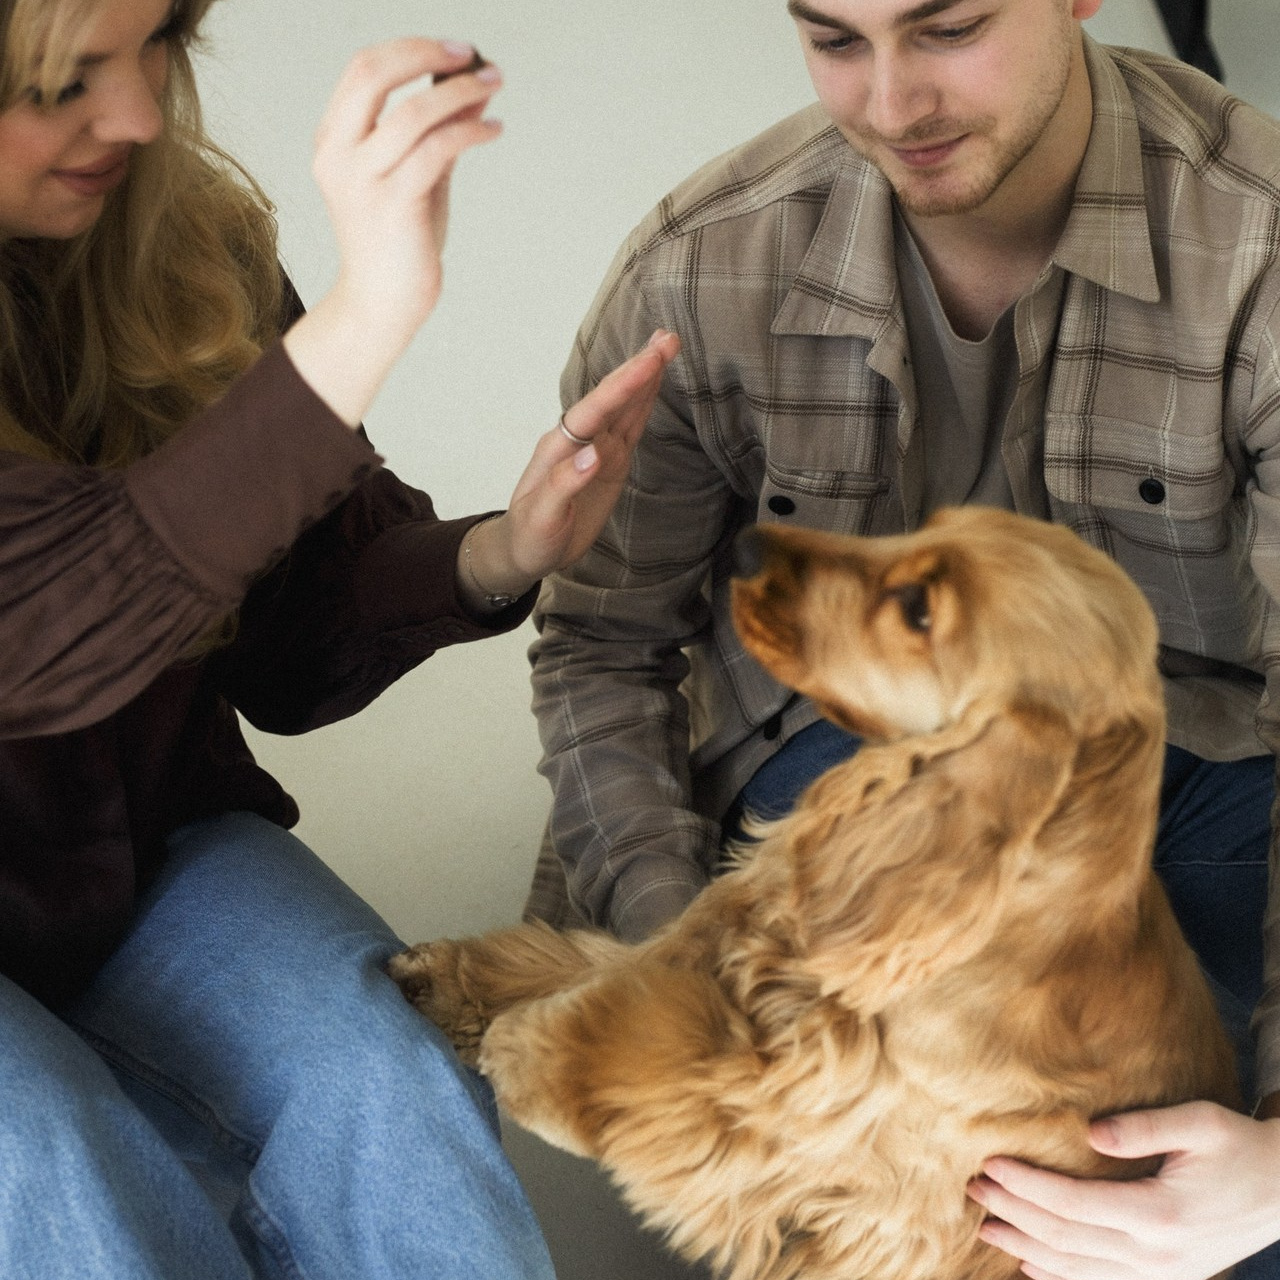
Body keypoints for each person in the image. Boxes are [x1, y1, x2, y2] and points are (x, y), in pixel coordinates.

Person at [526, 0, 1280, 1276]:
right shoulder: (704, 261)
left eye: (946, 28)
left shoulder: (1256, 246)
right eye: (833, 40)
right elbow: (602, 648)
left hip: (1217, 774)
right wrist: (675, 965)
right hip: (845, 768)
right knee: (876, 1181)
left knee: (1196, 1219)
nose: (888, 105)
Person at [0, 0, 680, 1277]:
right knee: (50, 1161)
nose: (140, 115)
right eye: (58, 83)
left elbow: (286, 636)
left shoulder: (182, 239)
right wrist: (370, 310)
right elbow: (44, 623)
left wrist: (499, 552)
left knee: (386, 1076)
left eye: (158, 46)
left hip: (148, 840)